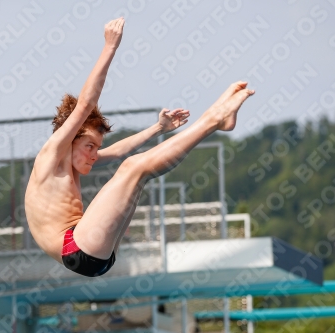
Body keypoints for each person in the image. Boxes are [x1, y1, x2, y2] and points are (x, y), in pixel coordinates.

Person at [24, 17, 254, 277]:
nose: (93, 154)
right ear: (70, 139)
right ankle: (213, 120)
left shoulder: (70, 164)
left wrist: (158, 129)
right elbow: (85, 105)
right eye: (89, 146)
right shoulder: (51, 154)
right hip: (77, 248)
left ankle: (215, 120)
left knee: (134, 170)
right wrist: (110, 47)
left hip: (92, 251)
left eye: (96, 147)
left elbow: (120, 150)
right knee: (134, 168)